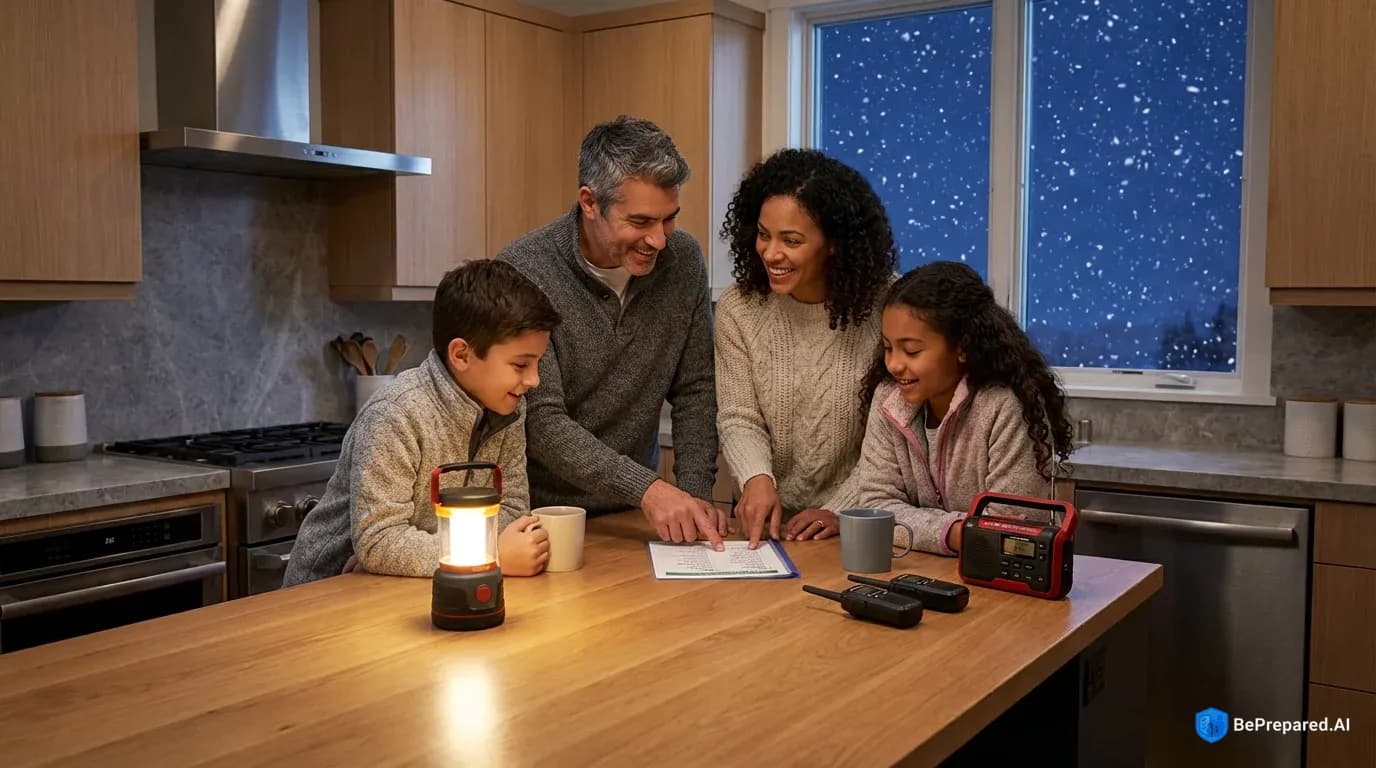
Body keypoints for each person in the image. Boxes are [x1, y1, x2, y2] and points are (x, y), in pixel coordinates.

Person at [498, 115, 727, 550]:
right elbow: (541, 420)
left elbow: (696, 389)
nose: (659, 240)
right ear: (589, 202)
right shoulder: (525, 269)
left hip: (634, 518)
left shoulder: (683, 261)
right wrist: (649, 489)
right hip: (542, 521)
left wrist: (694, 497)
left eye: (669, 219)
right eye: (640, 222)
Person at [283, 260, 561, 586]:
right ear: (461, 355)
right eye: (520, 364)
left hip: (417, 585)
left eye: (537, 363)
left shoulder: (510, 407)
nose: (534, 380)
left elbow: (513, 510)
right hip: (326, 596)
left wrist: (408, 557)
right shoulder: (395, 413)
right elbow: (379, 543)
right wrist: (492, 552)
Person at [715, 148, 896, 549]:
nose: (771, 253)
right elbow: (738, 415)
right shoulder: (738, 309)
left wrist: (843, 508)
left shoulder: (887, 307)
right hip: (767, 530)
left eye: (791, 240)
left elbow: (897, 434)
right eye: (764, 235)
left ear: (833, 243)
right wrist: (756, 480)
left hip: (858, 525)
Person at [853, 261, 1074, 555]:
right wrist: (957, 533)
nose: (894, 364)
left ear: (962, 348)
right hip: (926, 572)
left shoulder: (1005, 407)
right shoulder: (887, 400)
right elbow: (874, 507)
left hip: (1008, 584)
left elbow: (1007, 533)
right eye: (888, 347)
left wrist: (922, 529)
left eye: (912, 350)